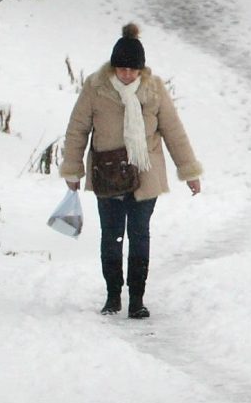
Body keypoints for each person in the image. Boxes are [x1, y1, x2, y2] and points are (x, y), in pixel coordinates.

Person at [61, 23, 203, 319]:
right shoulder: (95, 88)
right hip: (108, 173)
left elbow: (174, 131)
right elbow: (77, 130)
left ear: (141, 70)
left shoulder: (154, 90)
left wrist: (189, 171)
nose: (127, 74)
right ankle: (113, 296)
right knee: (112, 235)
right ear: (113, 67)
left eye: (132, 70)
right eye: (122, 69)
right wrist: (73, 170)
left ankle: (136, 299)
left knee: (139, 235)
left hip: (145, 174)